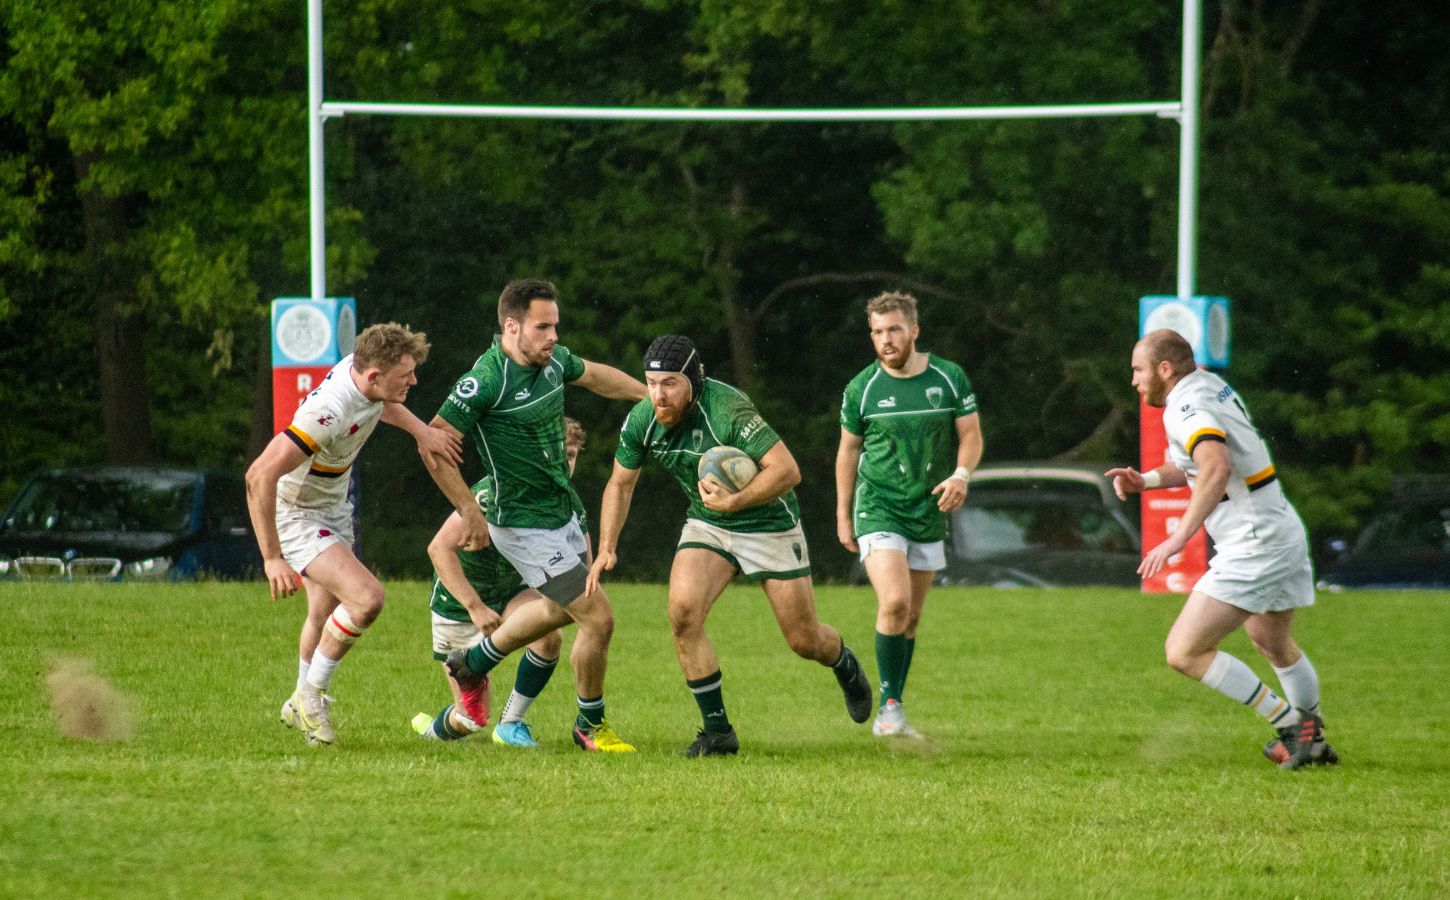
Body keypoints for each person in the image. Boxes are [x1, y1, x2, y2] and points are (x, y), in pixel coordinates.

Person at [587, 335, 873, 758]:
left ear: (694, 379)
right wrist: (607, 545)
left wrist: (736, 500)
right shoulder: (642, 419)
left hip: (768, 522)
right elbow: (621, 484)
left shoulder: (728, 411)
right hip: (709, 524)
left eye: (670, 384)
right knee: (683, 613)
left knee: (804, 640)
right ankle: (718, 733)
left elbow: (788, 471)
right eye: (651, 383)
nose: (658, 395)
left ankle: (843, 663)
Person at [423, 278, 646, 752]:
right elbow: (435, 442)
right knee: (598, 618)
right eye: (543, 327)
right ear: (511, 327)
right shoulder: (486, 379)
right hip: (521, 524)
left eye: (555, 326)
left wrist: (645, 395)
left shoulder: (552, 361)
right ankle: (590, 724)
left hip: (559, 512)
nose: (553, 337)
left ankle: (474, 662)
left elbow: (596, 376)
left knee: (561, 612)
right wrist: (468, 508)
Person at [1105, 329, 1338, 770]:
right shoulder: (1207, 386)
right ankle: (1314, 739)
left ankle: (1295, 728)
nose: (1133, 380)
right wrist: (1148, 481)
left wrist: (1178, 537)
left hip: (1254, 542)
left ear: (1164, 369)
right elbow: (1197, 462)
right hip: (1279, 527)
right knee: (1271, 639)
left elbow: (1215, 466)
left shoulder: (1187, 407)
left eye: (1138, 370)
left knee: (1184, 651)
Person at [246, 322, 462, 746]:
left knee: (323, 614)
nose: (414, 381)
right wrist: (272, 557)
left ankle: (299, 700)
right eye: (407, 376)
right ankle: (310, 698)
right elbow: (259, 475)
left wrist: (422, 432)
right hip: (297, 512)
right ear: (375, 376)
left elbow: (382, 404)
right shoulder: (327, 411)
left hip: (331, 504)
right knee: (366, 598)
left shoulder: (370, 379)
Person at [835, 291, 982, 738]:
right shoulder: (862, 388)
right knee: (894, 602)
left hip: (927, 507)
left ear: (914, 331)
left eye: (894, 330)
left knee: (911, 618)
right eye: (877, 332)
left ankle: (892, 708)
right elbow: (847, 451)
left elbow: (971, 435)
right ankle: (889, 710)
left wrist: (960, 475)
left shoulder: (948, 378)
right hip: (878, 505)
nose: (885, 340)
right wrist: (842, 515)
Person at [411, 418, 590, 747]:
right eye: (555, 454)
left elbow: (584, 568)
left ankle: (511, 724)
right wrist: (475, 606)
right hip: (461, 603)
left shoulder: (569, 503)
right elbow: (439, 549)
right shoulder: (494, 492)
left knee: (550, 635)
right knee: (471, 719)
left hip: (513, 591)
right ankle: (432, 729)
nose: (565, 463)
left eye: (571, 454)